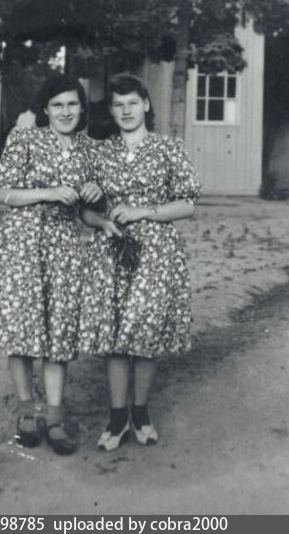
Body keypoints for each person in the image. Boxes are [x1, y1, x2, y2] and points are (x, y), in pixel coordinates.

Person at [79, 74, 201, 452]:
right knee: (116, 334)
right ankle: (117, 417)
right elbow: (84, 212)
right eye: (118, 104)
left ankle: (141, 412)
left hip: (156, 253)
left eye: (133, 102)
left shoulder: (168, 148)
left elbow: (188, 203)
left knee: (145, 332)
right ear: (112, 111)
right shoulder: (100, 153)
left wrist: (143, 212)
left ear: (146, 105)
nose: (126, 110)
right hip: (112, 250)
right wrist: (102, 221)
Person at [0, 76, 102, 455]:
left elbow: (85, 210)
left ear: (82, 108)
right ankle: (26, 413)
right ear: (46, 110)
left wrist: (94, 195)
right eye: (57, 105)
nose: (65, 112)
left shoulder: (90, 151)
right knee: (22, 328)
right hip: (21, 244)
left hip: (64, 246)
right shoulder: (25, 139)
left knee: (58, 331)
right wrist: (48, 192)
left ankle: (54, 418)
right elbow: (1, 192)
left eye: (72, 104)